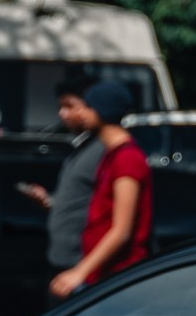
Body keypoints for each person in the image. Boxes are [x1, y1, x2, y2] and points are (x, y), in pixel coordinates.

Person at [48, 72, 153, 297]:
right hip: (103, 275)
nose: (82, 113)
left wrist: (80, 271)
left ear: (102, 110)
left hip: (119, 277)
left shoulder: (127, 158)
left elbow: (121, 230)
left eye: (88, 107)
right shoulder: (110, 156)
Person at [21, 81, 111, 277]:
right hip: (66, 264)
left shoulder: (104, 151)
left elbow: (113, 218)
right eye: (61, 107)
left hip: (81, 266)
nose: (62, 114)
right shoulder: (80, 149)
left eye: (70, 106)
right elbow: (79, 201)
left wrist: (81, 271)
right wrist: (50, 201)